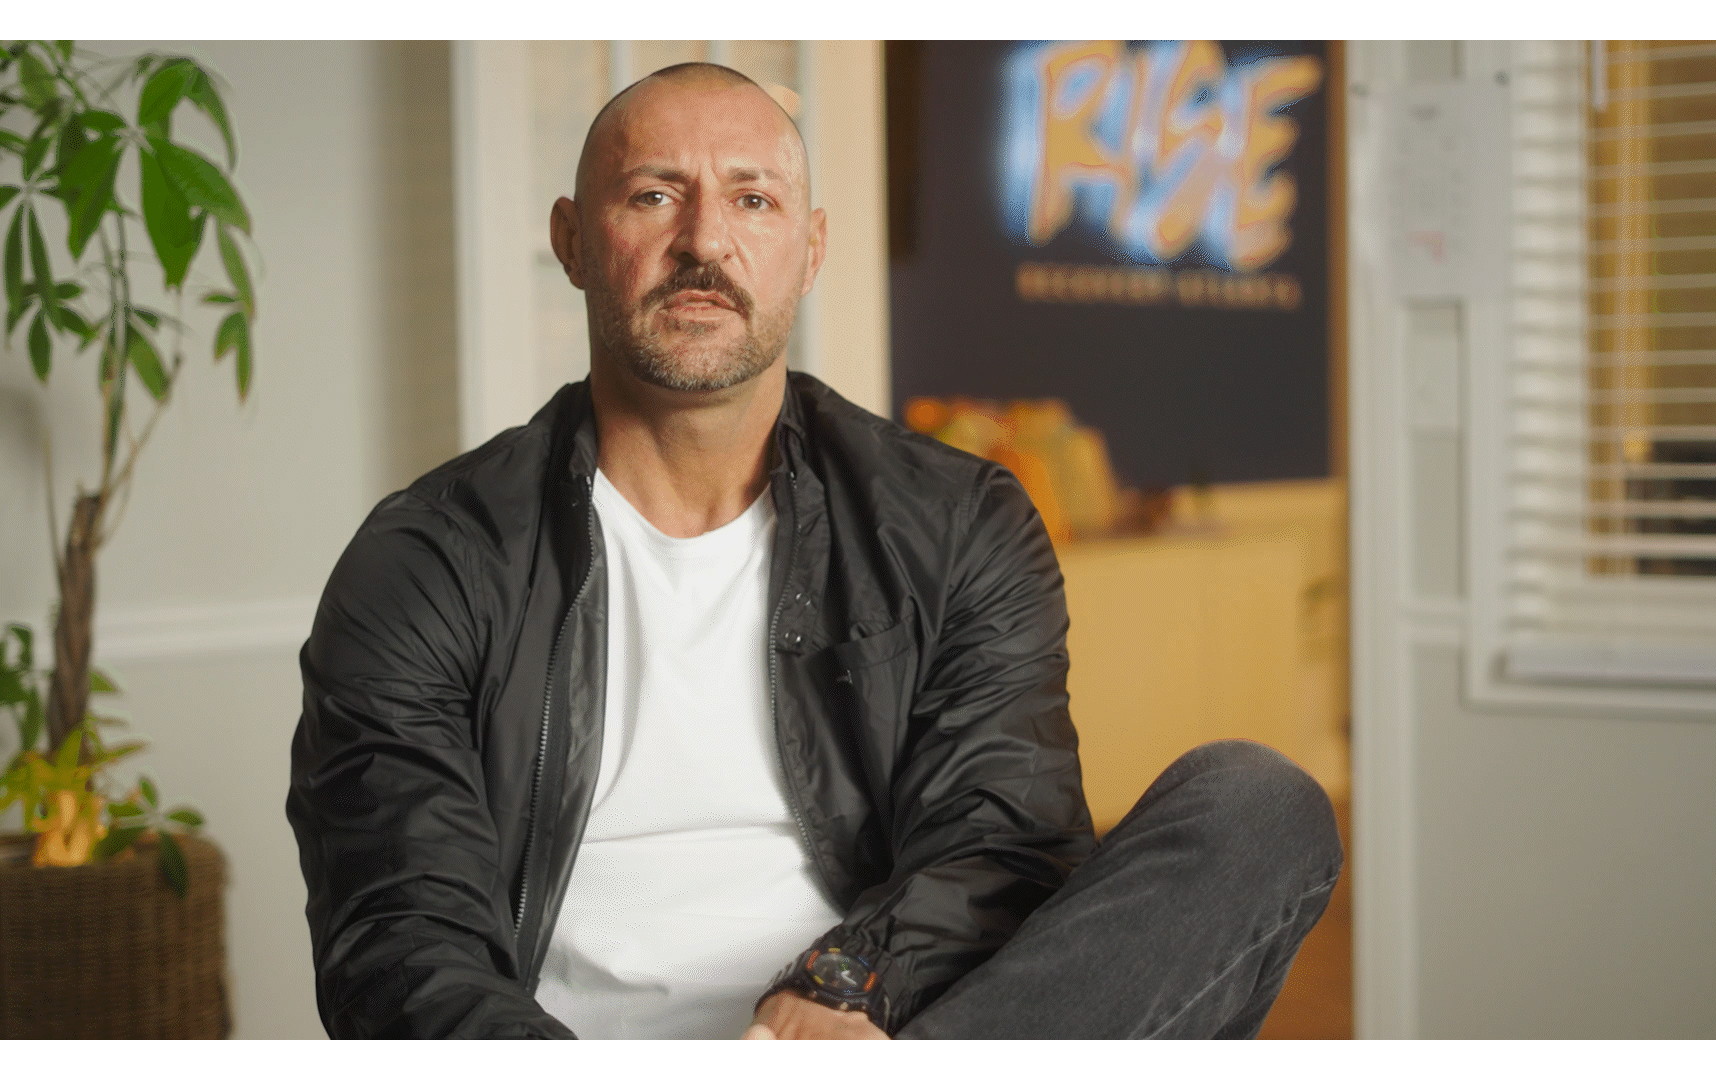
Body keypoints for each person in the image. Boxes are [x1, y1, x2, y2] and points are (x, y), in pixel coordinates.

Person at [287, 62, 1341, 1040]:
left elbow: (1003, 840)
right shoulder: (428, 557)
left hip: (868, 1022)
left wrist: (843, 986)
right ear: (572, 239)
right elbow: (397, 931)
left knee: (1258, 810)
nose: (706, 241)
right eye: (654, 195)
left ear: (812, 246)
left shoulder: (956, 521)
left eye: (753, 200)